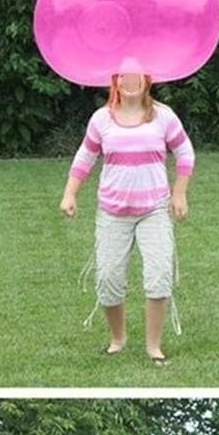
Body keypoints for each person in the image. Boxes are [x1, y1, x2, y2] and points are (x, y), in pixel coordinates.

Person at [60, 70, 194, 365]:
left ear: (148, 80)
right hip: (112, 212)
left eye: (137, 77)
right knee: (108, 279)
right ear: (115, 81)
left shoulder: (164, 116)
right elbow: (85, 156)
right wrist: (70, 193)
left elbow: (185, 152)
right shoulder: (101, 119)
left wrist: (179, 193)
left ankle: (153, 346)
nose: (130, 82)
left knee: (159, 276)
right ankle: (117, 339)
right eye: (124, 77)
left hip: (154, 210)